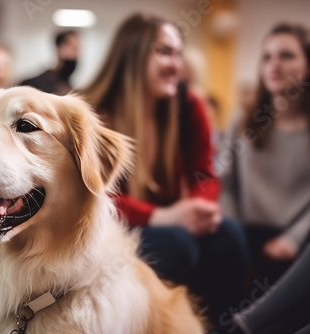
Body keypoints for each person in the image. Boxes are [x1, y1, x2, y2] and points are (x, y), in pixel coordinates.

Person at [79, 13, 249, 328]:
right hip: (113, 228)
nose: (176, 65)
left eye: (178, 53)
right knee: (177, 246)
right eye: (164, 52)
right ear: (133, 54)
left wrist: (199, 206)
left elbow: (205, 171)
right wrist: (160, 217)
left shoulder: (189, 105)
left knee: (230, 237)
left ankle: (221, 327)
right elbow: (91, 191)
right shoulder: (93, 113)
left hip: (173, 219)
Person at [220, 23, 310, 286]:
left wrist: (292, 239)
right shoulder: (241, 121)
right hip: (242, 234)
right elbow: (225, 184)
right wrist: (233, 233)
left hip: (299, 240)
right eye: (267, 56)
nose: (274, 65)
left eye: (287, 55)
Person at [19, 30, 80, 95]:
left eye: (78, 49)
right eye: (73, 48)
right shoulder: (33, 84)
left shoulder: (69, 86)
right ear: (59, 48)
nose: (76, 54)